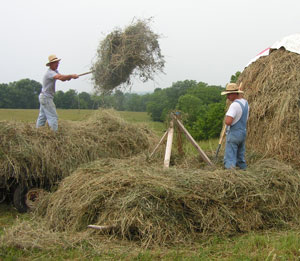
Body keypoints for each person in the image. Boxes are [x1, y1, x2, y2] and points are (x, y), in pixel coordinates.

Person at [36, 55, 79, 131]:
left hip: (44, 97)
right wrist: (71, 76)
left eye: (57, 63)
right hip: (46, 97)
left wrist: (69, 78)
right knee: (53, 117)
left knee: (42, 117)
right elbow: (60, 77)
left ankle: (37, 131)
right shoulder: (50, 73)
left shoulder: (55, 72)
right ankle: (54, 134)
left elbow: (62, 78)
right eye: (55, 63)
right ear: (50, 64)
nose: (57, 64)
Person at [221, 83, 249, 169]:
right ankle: (243, 170)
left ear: (234, 93)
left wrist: (226, 119)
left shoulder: (234, 105)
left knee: (230, 156)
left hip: (234, 134)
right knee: (240, 156)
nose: (227, 97)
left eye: (229, 94)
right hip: (243, 132)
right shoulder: (245, 103)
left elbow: (228, 122)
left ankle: (230, 173)